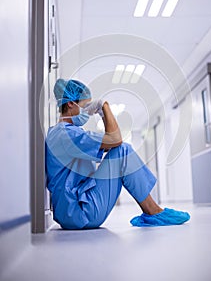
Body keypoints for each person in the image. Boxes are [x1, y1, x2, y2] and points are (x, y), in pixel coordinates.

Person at [45, 78, 190, 229]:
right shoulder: (67, 135)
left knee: (119, 151)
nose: (87, 112)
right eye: (85, 105)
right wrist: (104, 107)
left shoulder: (61, 133)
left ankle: (153, 211)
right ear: (70, 104)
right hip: (80, 211)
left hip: (71, 210)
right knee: (123, 151)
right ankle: (153, 211)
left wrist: (103, 119)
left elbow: (111, 143)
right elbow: (116, 139)